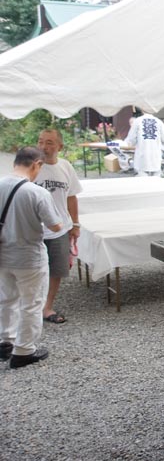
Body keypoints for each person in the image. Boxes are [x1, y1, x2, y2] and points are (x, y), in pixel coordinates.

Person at [0, 147, 63, 368]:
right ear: (36, 164)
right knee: (31, 303)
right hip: (29, 258)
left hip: (2, 256)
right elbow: (55, 224)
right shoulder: (36, 192)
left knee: (7, 299)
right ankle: (24, 351)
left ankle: (5, 341)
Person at [35, 129, 82, 324]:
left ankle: (47, 307)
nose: (43, 147)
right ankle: (31, 307)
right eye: (40, 142)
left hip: (61, 228)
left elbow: (71, 197)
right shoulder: (32, 167)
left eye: (49, 143)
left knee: (57, 270)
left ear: (59, 147)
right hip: (35, 230)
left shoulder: (66, 167)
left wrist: (76, 223)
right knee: (34, 270)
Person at [122, 108, 164, 176]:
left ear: (142, 110)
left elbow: (131, 140)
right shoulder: (159, 122)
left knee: (143, 183)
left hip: (142, 159)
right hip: (155, 158)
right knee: (155, 182)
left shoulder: (137, 121)